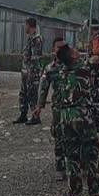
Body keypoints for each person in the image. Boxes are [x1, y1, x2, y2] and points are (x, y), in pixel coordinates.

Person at [33, 43, 99, 196]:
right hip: (81, 115)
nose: (77, 51)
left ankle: (76, 194)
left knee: (71, 156)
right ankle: (95, 192)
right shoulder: (82, 67)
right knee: (91, 152)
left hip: (64, 117)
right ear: (72, 56)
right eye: (74, 50)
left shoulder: (60, 70)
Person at [34, 36, 67, 180]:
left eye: (64, 47)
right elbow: (43, 88)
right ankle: (60, 167)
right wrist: (39, 106)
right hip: (58, 108)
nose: (61, 50)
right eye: (58, 47)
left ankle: (77, 165)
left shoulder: (73, 65)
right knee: (59, 136)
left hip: (74, 108)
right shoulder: (50, 68)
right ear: (53, 49)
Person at [14, 17, 44, 125]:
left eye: (25, 25)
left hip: (32, 72)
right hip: (26, 71)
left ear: (29, 25)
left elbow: (35, 58)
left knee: (32, 94)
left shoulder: (36, 39)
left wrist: (31, 72)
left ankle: (36, 116)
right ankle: (23, 114)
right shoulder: (30, 38)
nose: (24, 27)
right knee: (23, 93)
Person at [87, 19, 99, 134]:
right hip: (95, 71)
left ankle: (98, 124)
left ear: (91, 27)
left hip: (96, 71)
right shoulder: (97, 39)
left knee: (96, 96)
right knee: (94, 96)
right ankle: (96, 122)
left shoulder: (97, 39)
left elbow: (96, 55)